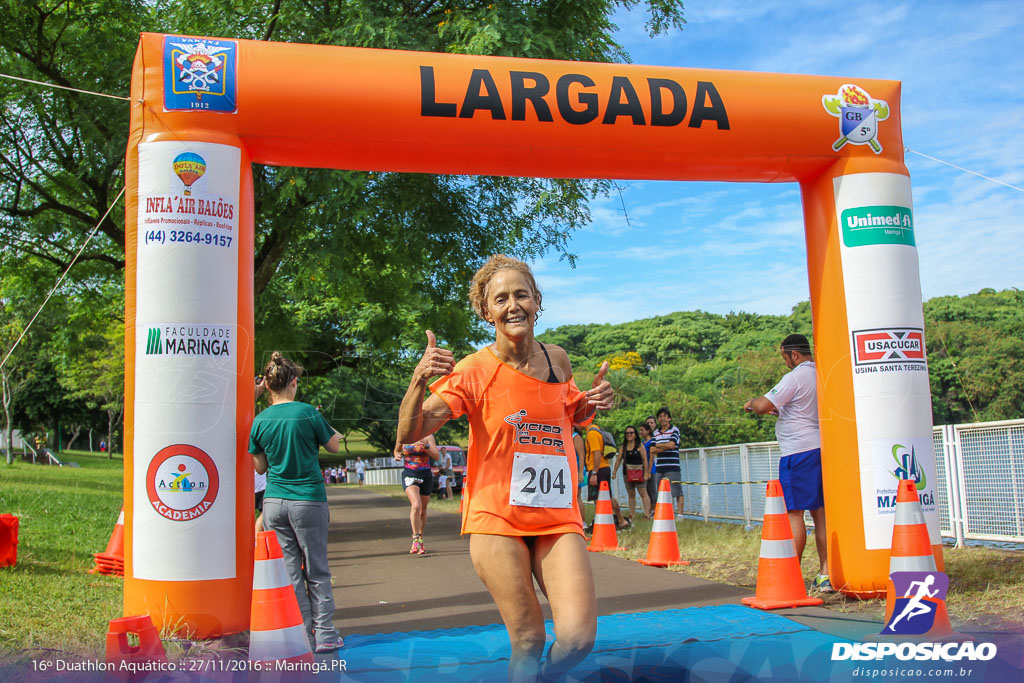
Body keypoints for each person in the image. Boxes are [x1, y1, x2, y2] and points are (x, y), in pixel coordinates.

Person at [396, 254, 613, 680]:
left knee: (577, 641)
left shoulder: (557, 359)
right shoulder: (473, 370)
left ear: (536, 301)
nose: (512, 305)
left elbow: (569, 413)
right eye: (500, 299)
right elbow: (409, 432)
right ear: (486, 310)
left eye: (521, 294)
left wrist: (592, 402)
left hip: (556, 516)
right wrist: (419, 378)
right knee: (529, 640)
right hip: (496, 518)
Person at [249, 352, 345, 653]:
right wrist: (336, 435)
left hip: (274, 502)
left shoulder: (260, 420)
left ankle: (302, 634)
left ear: (269, 384)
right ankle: (326, 633)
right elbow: (332, 444)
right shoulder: (307, 412)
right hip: (308, 500)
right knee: (316, 568)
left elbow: (260, 467)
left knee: (290, 571)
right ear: (293, 382)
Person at [744, 333, 830, 592]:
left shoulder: (795, 376)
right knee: (821, 514)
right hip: (818, 448)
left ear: (793, 354)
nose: (784, 363)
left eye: (784, 357)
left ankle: (790, 574)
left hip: (797, 452)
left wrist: (752, 403)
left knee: (794, 514)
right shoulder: (819, 372)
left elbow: (762, 405)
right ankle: (825, 573)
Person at [393, 434, 440, 554]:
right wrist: (397, 455)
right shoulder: (404, 434)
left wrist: (426, 445)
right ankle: (415, 538)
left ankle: (420, 538)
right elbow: (397, 449)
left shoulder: (428, 436)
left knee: (422, 511)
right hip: (410, 473)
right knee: (416, 505)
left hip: (425, 475)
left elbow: (436, 456)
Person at [581, 423, 629, 530]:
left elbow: (597, 453)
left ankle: (604, 523)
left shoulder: (591, 433)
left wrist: (594, 473)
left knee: (597, 498)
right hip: (605, 466)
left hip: (598, 469)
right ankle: (620, 520)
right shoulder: (598, 430)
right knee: (609, 495)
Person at [650, 407, 685, 516]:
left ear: (669, 418)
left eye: (665, 416)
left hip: (672, 465)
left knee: (677, 490)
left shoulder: (674, 430)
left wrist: (659, 446)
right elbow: (651, 449)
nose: (662, 419)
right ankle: (665, 514)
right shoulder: (655, 433)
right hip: (660, 466)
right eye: (660, 417)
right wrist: (666, 446)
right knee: (661, 491)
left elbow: (672, 445)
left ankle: (680, 515)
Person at [612, 425, 651, 520]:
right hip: (627, 474)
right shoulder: (623, 446)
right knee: (631, 495)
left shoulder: (639, 445)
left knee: (643, 493)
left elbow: (645, 460)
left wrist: (646, 473)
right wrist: (614, 472)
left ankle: (647, 514)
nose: (629, 435)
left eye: (631, 433)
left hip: (639, 473)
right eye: (627, 433)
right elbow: (618, 459)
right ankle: (632, 514)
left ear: (635, 434)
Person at [637, 422, 657, 518]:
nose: (640, 432)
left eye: (642, 430)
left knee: (652, 491)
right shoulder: (641, 442)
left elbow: (652, 457)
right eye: (640, 430)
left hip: (651, 469)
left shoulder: (652, 441)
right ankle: (648, 511)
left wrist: (648, 471)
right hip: (643, 469)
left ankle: (654, 510)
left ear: (648, 431)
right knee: (646, 491)